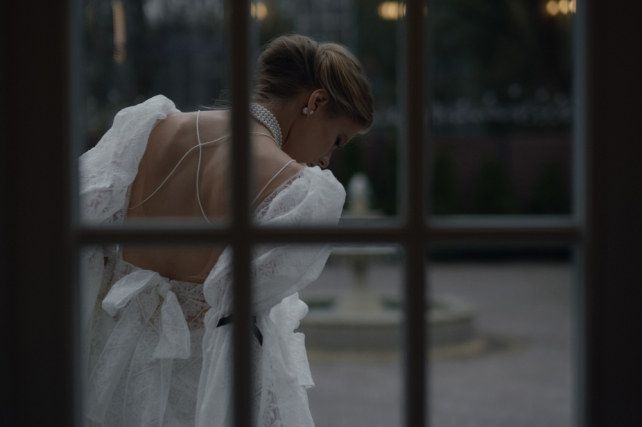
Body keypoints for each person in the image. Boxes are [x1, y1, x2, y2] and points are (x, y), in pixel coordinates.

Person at [79, 34, 374, 427]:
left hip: (114, 367)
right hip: (200, 384)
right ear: (315, 102)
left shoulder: (149, 128)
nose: (325, 160)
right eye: (336, 140)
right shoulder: (295, 188)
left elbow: (84, 231)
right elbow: (247, 312)